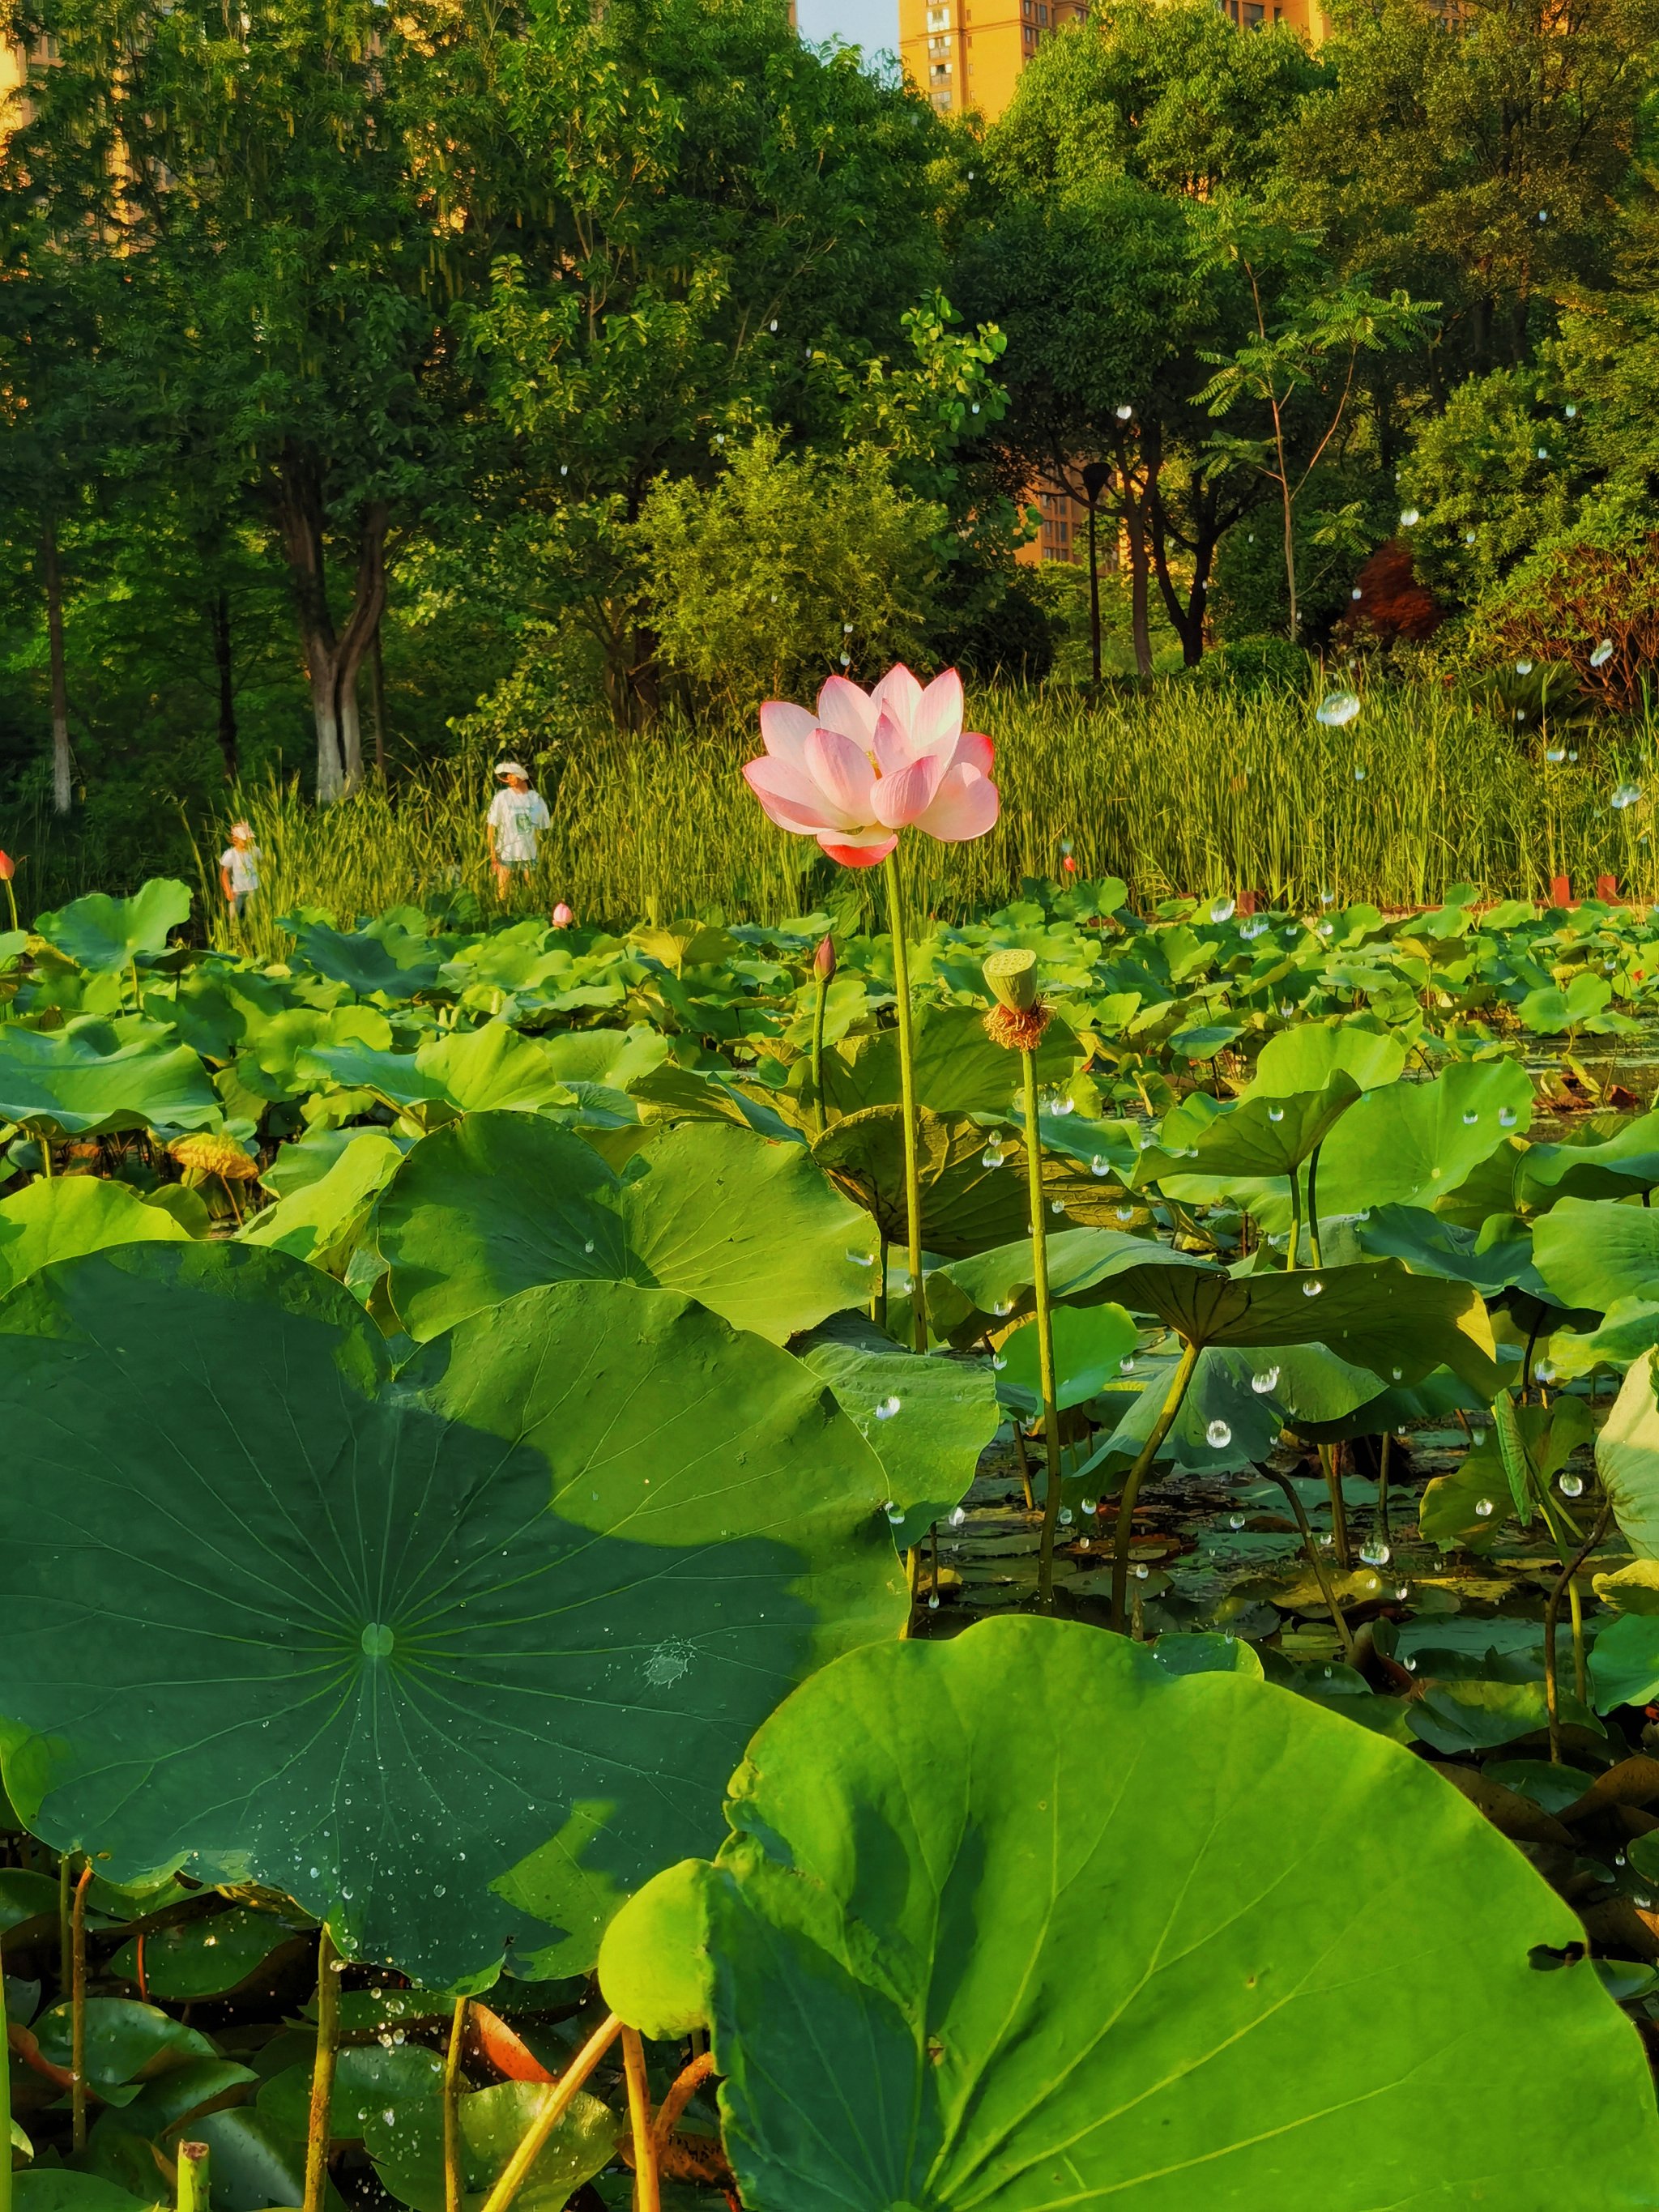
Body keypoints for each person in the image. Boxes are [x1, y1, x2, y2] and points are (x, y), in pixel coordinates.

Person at [486, 761, 552, 898]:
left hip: (529, 852)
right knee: (503, 891)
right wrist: (493, 853)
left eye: (512, 774)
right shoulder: (502, 797)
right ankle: (502, 913)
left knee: (533, 890)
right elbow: (491, 825)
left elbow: (542, 828)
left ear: (521, 775)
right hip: (507, 852)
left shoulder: (535, 798)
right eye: (507, 775)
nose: (509, 778)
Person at [220, 821, 262, 921]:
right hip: (237, 890)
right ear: (235, 840)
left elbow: (264, 865)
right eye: (244, 839)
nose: (247, 841)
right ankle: (235, 935)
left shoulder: (255, 851)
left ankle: (251, 935)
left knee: (252, 918)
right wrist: (228, 890)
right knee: (234, 917)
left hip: (253, 888)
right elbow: (225, 874)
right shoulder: (231, 854)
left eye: (248, 839)